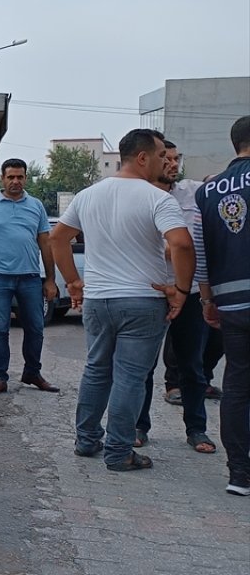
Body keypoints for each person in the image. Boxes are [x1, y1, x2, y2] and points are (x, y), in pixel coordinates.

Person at [51, 128, 192, 473]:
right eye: (162, 155)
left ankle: (86, 440)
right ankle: (118, 451)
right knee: (130, 376)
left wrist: (73, 282)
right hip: (143, 299)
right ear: (143, 158)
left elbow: (58, 238)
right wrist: (182, 290)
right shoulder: (157, 198)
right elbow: (182, 244)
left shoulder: (89, 195)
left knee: (97, 370)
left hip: (99, 300)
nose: (166, 161)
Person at [137, 141, 215, 453]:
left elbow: (218, 186)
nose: (172, 163)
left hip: (192, 291)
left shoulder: (194, 192)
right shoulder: (138, 195)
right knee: (142, 366)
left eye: (175, 158)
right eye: (165, 158)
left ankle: (197, 429)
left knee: (192, 366)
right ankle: (138, 426)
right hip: (149, 292)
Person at [193, 115, 250, 495]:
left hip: (231, 303)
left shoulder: (208, 190)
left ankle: (239, 475)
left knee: (237, 384)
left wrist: (208, 298)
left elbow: (200, 250)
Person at [0, 158, 60, 396]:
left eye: (20, 177)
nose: (15, 181)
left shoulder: (36, 205)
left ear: (26, 178)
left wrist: (50, 279)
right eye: (11, 177)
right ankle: (0, 377)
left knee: (36, 328)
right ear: (3, 178)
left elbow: (45, 242)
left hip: (30, 277)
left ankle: (32, 372)